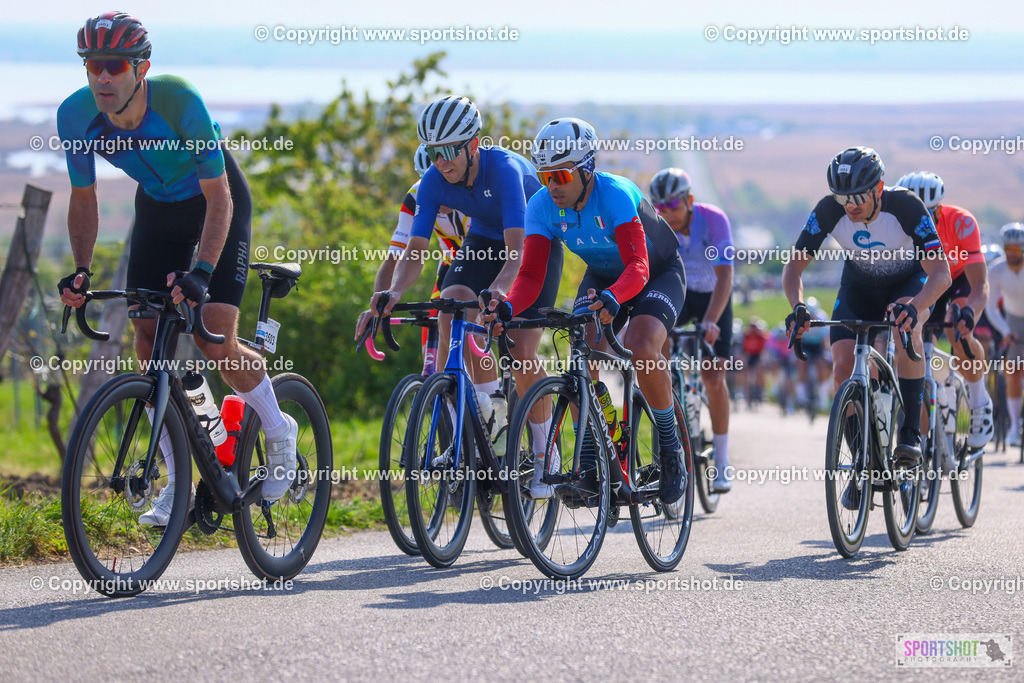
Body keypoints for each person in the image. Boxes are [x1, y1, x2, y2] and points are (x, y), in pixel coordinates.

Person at [57, 12, 297, 523]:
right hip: (159, 209)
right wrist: (82, 271)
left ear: (140, 68)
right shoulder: (74, 117)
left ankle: (279, 433)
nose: (103, 76)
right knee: (146, 336)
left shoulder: (178, 100)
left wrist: (202, 271)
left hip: (217, 204)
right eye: (93, 65)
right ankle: (182, 476)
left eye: (114, 65)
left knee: (213, 337)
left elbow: (220, 198)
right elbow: (84, 197)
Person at [485, 117, 687, 506]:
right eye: (545, 176)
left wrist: (615, 296)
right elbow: (529, 275)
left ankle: (670, 445)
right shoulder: (541, 206)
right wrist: (508, 306)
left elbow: (639, 267)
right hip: (604, 276)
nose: (553, 186)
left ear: (587, 167)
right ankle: (593, 458)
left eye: (561, 174)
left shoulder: (613, 195)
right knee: (583, 352)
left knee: (643, 345)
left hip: (656, 271)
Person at [370, 95, 564, 482]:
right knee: (450, 308)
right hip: (482, 240)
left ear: (473, 145)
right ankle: (490, 410)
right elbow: (416, 251)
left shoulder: (505, 169)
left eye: (449, 151)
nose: (441, 161)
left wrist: (498, 292)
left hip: (531, 239)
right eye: (432, 151)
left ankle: (547, 454)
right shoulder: (432, 181)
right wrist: (393, 293)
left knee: (521, 349)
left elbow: (516, 253)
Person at [782, 147, 951, 509]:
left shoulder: (905, 207)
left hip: (908, 284)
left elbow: (941, 274)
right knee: (843, 365)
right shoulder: (829, 210)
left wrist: (917, 306)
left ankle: (909, 435)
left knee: (909, 335)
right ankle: (862, 463)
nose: (849, 205)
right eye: (842, 197)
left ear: (879, 188)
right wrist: (797, 306)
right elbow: (794, 268)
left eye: (857, 196)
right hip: (858, 288)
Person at [649, 167, 735, 492]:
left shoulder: (713, 220)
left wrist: (712, 319)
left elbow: (725, 276)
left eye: (672, 205)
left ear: (689, 200)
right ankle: (671, 391)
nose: (666, 213)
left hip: (714, 297)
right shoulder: (657, 226)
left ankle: (723, 459)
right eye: (660, 207)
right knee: (658, 346)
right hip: (681, 295)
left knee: (714, 377)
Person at [354, 145, 477, 365]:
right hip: (450, 267)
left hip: (485, 261)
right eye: (429, 183)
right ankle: (442, 393)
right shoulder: (416, 197)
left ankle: (490, 393)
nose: (436, 190)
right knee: (433, 360)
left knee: (467, 341)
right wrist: (379, 303)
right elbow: (394, 258)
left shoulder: (470, 192)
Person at [896, 171, 992, 450]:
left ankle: (978, 401)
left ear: (940, 208)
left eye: (931, 213)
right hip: (926, 281)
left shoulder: (962, 222)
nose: (923, 221)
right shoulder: (898, 227)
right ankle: (921, 442)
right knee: (915, 344)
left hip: (959, 279)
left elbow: (980, 284)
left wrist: (971, 313)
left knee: (958, 331)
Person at [983, 224, 1024, 446]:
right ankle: (1015, 428)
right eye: (1008, 250)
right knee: (1014, 371)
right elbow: (991, 308)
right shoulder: (996, 271)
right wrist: (1006, 332)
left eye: (1017, 251)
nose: (1012, 255)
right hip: (1013, 321)